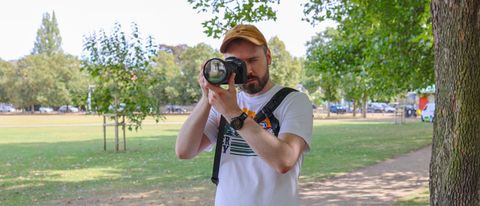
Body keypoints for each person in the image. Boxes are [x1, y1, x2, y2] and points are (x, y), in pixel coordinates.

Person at [175, 24, 313, 206]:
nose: (247, 70)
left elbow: (284, 160)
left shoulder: (294, 101)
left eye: (253, 60)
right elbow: (184, 151)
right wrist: (205, 97)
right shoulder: (222, 104)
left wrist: (233, 113)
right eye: (236, 63)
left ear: (268, 57)